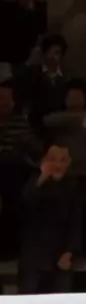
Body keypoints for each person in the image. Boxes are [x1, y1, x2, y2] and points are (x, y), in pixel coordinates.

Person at [18, 143, 81, 294]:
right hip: (34, 255)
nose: (57, 164)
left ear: (68, 163)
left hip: (61, 255)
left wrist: (69, 252)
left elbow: (76, 222)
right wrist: (42, 177)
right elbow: (26, 202)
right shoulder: (36, 182)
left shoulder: (72, 186)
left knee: (60, 300)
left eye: (62, 160)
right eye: (53, 159)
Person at [0, 81, 41, 258]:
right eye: (0, 97)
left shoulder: (20, 123)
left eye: (6, 98)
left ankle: (11, 249)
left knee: (15, 203)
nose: (3, 102)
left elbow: (35, 148)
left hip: (13, 172)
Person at [43, 79, 86, 194]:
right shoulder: (57, 118)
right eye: (72, 97)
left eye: (78, 98)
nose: (75, 101)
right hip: (59, 171)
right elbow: (47, 121)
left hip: (84, 173)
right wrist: (76, 118)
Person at [21, 34, 68, 127]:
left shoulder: (66, 77)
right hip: (35, 123)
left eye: (57, 53)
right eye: (49, 52)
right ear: (44, 53)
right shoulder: (31, 73)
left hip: (59, 123)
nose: (52, 56)